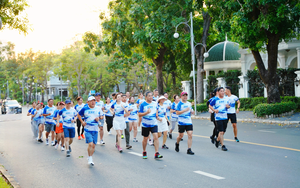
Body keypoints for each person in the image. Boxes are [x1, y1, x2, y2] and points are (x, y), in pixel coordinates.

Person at [78, 96, 103, 166]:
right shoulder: (85, 109)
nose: (93, 102)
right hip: (87, 129)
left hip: (95, 130)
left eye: (94, 101)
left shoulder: (98, 108)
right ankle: (90, 158)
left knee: (94, 146)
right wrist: (82, 122)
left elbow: (102, 116)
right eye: (91, 101)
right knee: (90, 144)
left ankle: (90, 156)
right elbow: (78, 115)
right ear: (88, 102)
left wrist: (99, 118)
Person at [139, 91, 163, 159]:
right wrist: (146, 113)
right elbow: (139, 114)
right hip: (145, 124)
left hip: (154, 123)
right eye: (149, 96)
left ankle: (156, 153)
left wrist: (158, 117)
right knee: (145, 138)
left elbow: (156, 112)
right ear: (145, 97)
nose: (151, 97)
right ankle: (144, 151)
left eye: (151, 95)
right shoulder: (142, 104)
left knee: (156, 137)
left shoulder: (155, 104)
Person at [209, 87, 230, 151]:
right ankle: (223, 146)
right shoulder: (215, 99)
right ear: (218, 92)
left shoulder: (226, 99)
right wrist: (214, 110)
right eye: (221, 91)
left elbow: (229, 106)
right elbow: (210, 105)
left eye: (223, 91)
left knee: (223, 132)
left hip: (225, 117)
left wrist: (228, 106)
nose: (223, 92)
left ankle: (217, 140)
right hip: (218, 118)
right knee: (220, 132)